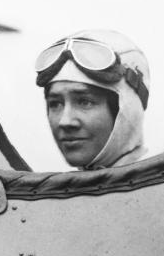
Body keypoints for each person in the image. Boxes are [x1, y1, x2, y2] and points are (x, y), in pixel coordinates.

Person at [35, 29, 150, 169]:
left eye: (85, 102)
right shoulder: (61, 189)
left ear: (127, 108)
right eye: (55, 104)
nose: (64, 121)